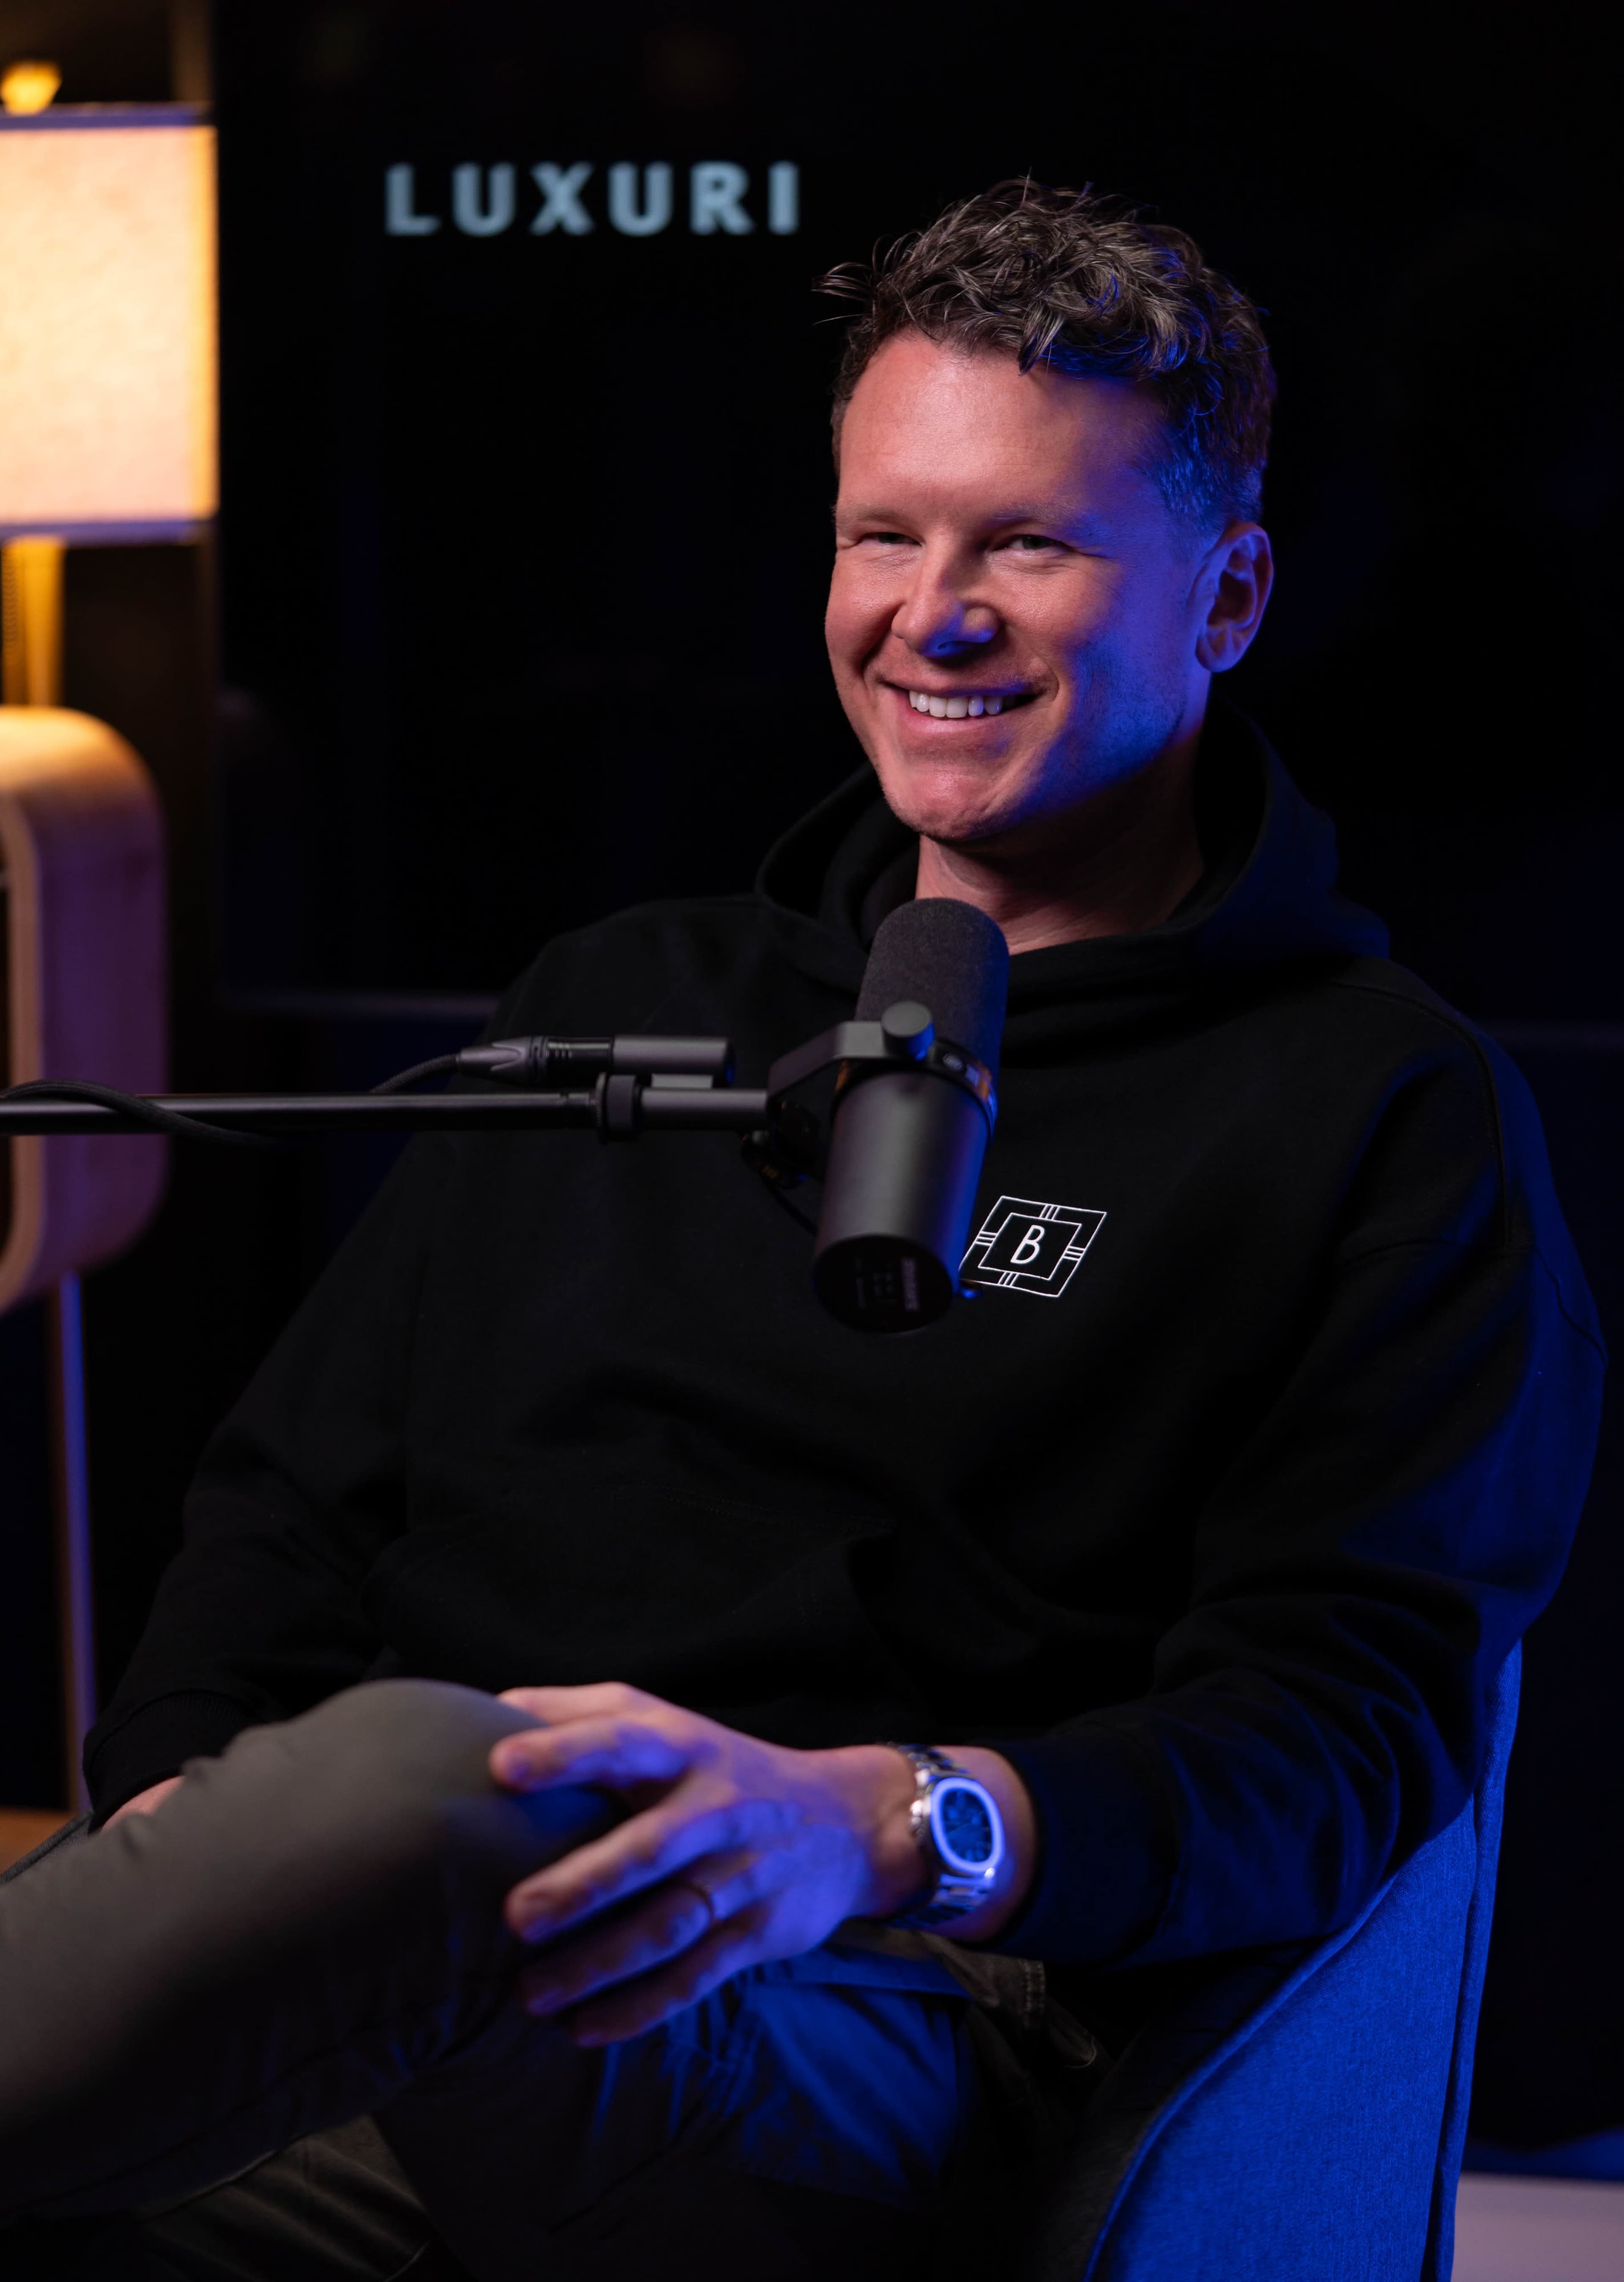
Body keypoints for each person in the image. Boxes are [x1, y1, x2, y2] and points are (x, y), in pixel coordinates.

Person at [0, 181, 1602, 2279]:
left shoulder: (1387, 1115)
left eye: (1028, 541)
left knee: (445, 1780)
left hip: (881, 2012)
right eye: (884, 533)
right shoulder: (617, 996)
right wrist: (194, 1832)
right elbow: (288, 1514)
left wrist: (872, 1820)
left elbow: (1335, 1744)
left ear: (1226, 600)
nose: (933, 610)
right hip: (388, 1988)